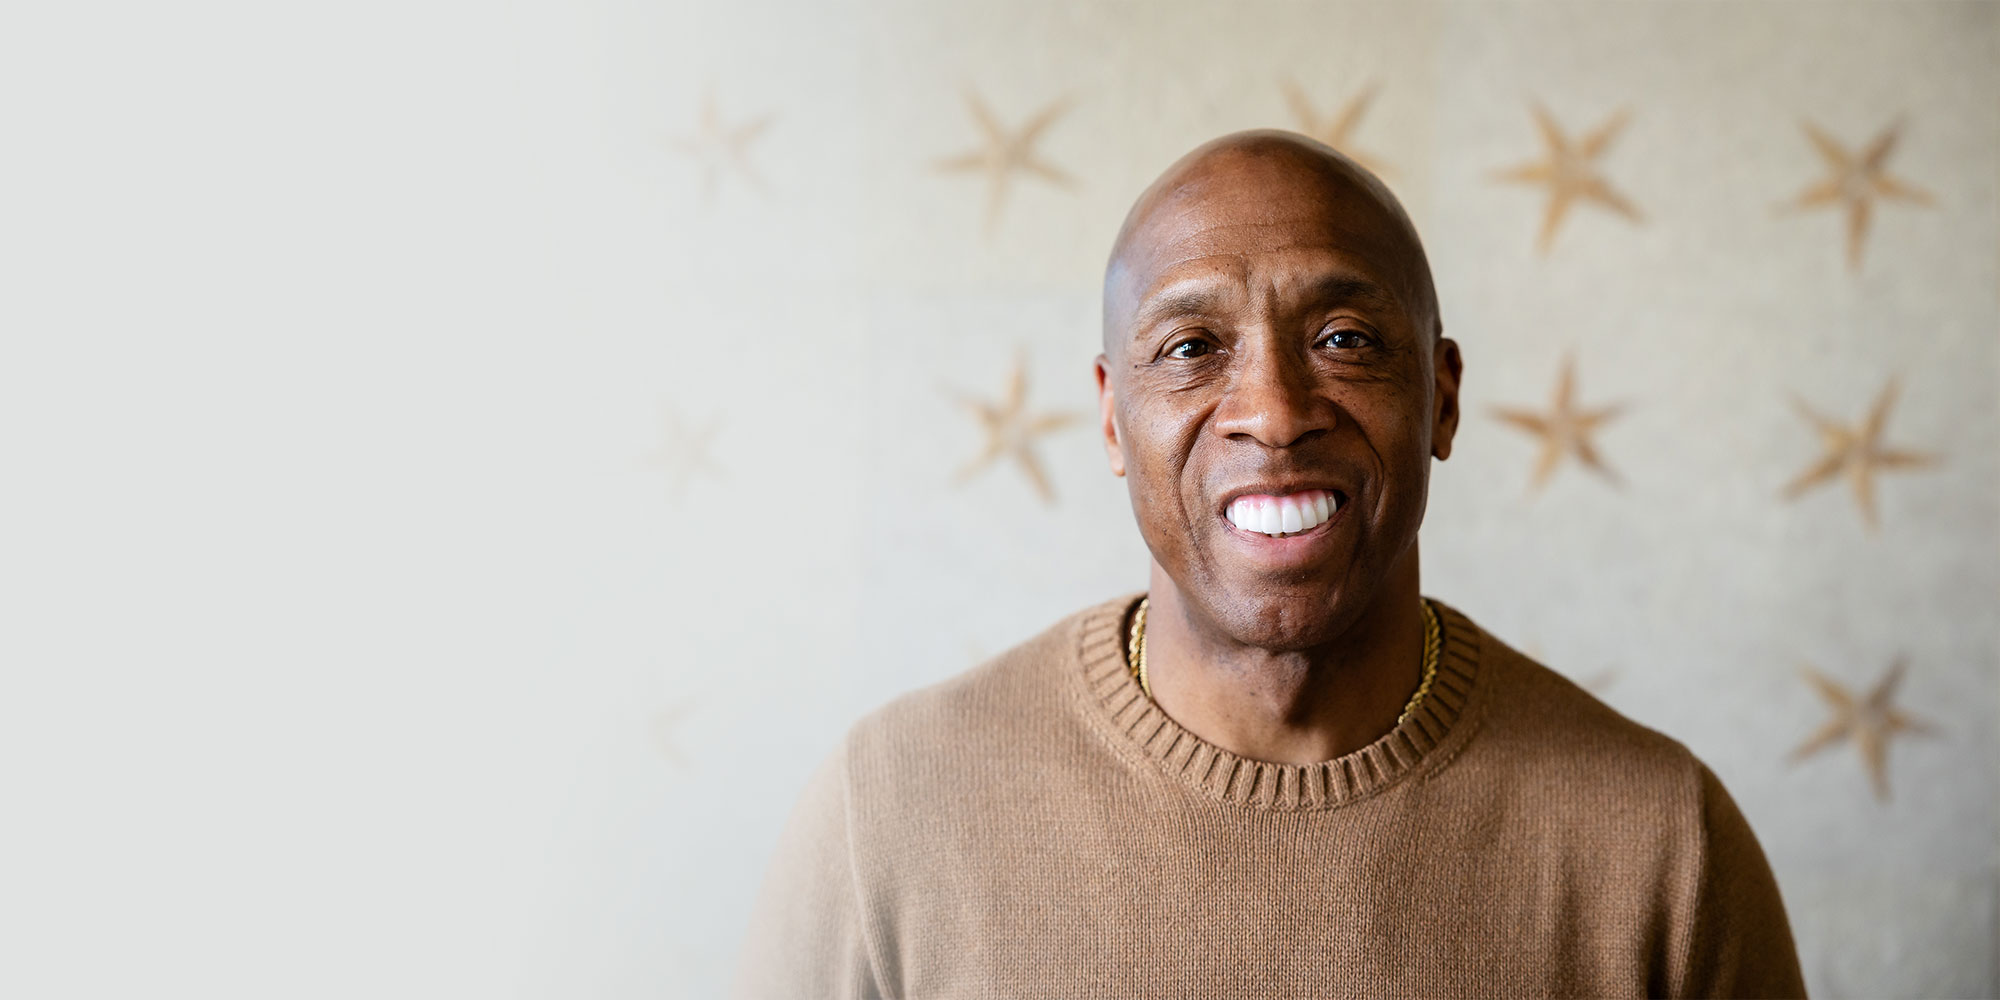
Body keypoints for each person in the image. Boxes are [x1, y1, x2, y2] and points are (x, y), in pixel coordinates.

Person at [730, 130, 1806, 999]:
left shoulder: (1663, 847)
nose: (1274, 414)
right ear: (1111, 418)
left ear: (1441, 394)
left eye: (1343, 338)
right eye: (1192, 349)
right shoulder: (891, 814)